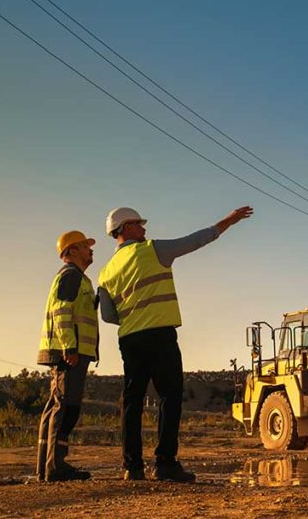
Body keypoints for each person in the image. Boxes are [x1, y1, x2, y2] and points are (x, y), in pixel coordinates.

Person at [98, 206, 253, 482]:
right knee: (170, 396)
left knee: (132, 401)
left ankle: (132, 467)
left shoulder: (105, 272)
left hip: (129, 339)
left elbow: (109, 315)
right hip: (159, 335)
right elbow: (197, 239)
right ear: (126, 228)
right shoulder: (152, 250)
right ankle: (165, 463)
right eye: (139, 224)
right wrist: (229, 220)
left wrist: (134, 315)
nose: (144, 229)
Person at [37, 230, 99, 482]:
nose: (91, 250)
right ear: (71, 251)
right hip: (69, 353)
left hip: (72, 351)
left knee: (57, 406)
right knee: (65, 407)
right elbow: (62, 311)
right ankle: (55, 467)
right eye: (85, 246)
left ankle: (47, 467)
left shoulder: (79, 279)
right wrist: (69, 347)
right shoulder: (71, 275)